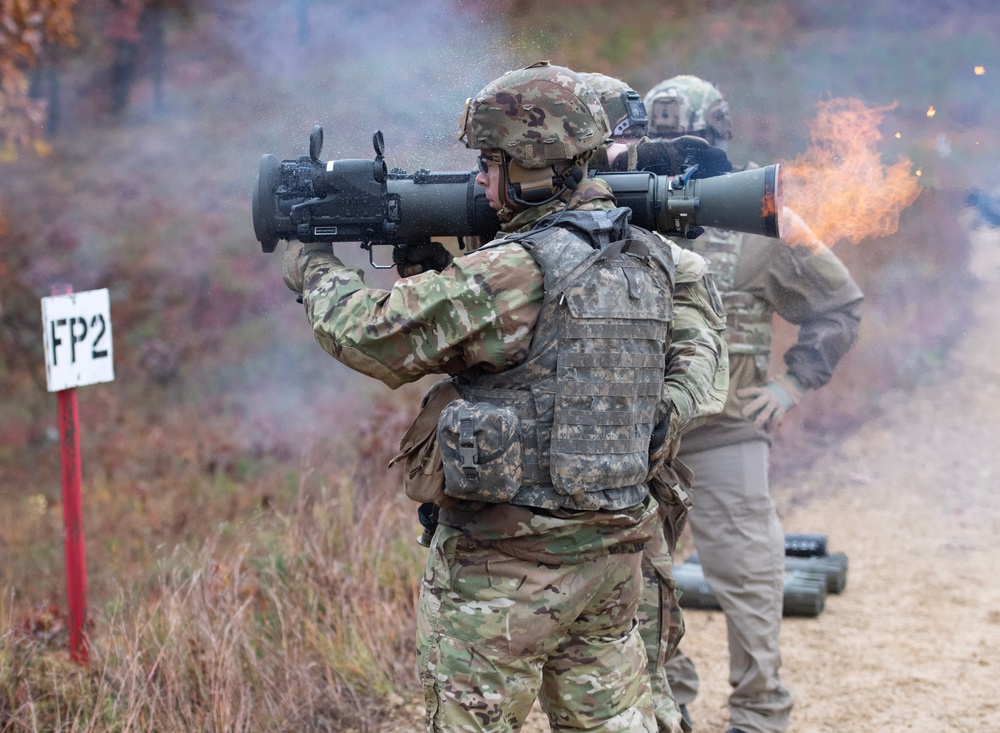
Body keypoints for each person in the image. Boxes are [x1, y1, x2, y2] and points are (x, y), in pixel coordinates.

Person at [280, 61, 728, 732]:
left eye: (493, 163)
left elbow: (370, 335)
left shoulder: (514, 268)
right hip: (611, 560)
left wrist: (311, 265)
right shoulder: (646, 254)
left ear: (536, 166)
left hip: (505, 573)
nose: (482, 182)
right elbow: (556, 357)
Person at [642, 75, 864, 733]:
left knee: (748, 575)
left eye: (690, 140)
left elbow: (839, 303)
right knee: (636, 576)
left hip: (727, 431)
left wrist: (793, 383)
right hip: (636, 436)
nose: (675, 153)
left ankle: (760, 710)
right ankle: (666, 700)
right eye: (659, 140)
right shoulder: (618, 212)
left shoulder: (760, 222)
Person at [582, 70, 731, 733]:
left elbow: (701, 360)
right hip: (522, 515)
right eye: (617, 145)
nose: (630, 155)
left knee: (641, 643)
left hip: (624, 494)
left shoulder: (666, 253)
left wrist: (653, 427)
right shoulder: (516, 249)